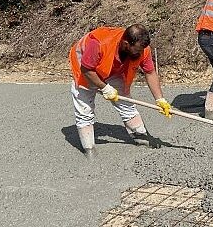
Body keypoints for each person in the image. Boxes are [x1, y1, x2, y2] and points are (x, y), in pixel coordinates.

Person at [69, 24, 172, 158]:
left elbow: (150, 72)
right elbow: (87, 69)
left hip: (112, 69)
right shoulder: (99, 43)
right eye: (137, 50)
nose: (140, 54)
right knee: (84, 110)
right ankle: (89, 149)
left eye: (141, 50)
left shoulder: (142, 49)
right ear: (125, 43)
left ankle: (141, 137)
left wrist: (160, 99)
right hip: (85, 71)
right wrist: (105, 88)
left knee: (126, 104)